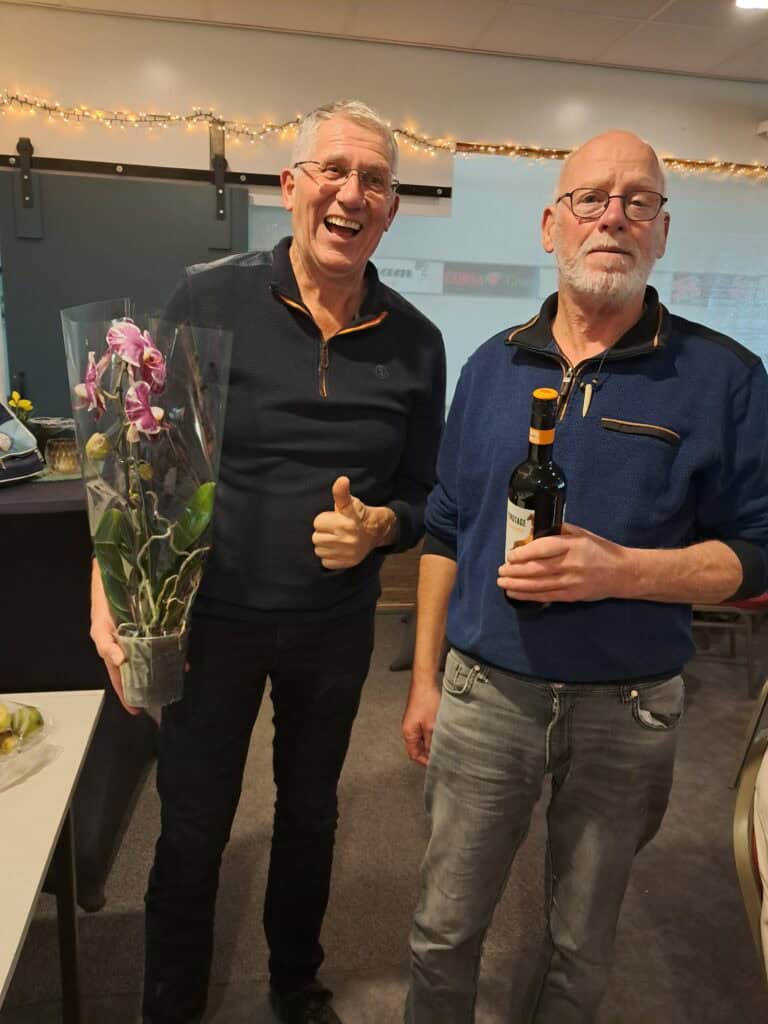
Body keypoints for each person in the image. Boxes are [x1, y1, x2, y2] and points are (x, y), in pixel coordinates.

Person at [90, 99, 445, 1024]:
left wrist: (381, 526)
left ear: (390, 209)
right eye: (334, 170)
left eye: (374, 180)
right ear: (290, 186)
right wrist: (109, 594)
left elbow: (425, 495)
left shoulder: (418, 342)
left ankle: (296, 984)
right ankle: (170, 1004)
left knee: (311, 815)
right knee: (194, 822)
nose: (352, 193)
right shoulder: (208, 298)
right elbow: (137, 458)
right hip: (211, 619)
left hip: (334, 625)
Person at [401, 130, 768, 1023]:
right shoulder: (490, 366)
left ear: (663, 232)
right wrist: (423, 681)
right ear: (550, 224)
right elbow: (445, 530)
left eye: (639, 201)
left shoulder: (725, 379)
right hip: (485, 694)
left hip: (629, 712)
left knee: (579, 944)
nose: (613, 217)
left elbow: (757, 556)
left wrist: (623, 571)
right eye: (591, 198)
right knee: (443, 930)